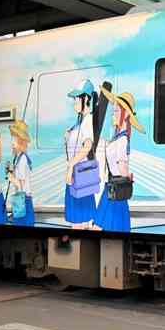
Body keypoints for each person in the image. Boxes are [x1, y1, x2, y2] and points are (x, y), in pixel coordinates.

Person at [92, 91, 144, 232]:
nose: (113, 114)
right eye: (113, 110)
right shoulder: (118, 138)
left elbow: (122, 164)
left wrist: (126, 175)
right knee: (109, 227)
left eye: (116, 110)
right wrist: (127, 176)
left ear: (126, 114)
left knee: (103, 226)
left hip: (115, 188)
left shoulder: (121, 140)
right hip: (113, 188)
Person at [64, 79, 97, 229]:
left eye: (77, 98)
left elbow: (87, 146)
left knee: (79, 223)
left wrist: (71, 165)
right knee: (79, 222)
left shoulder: (88, 120)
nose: (75, 102)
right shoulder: (79, 121)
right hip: (77, 177)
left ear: (87, 99)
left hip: (80, 177)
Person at [8, 119, 34, 227]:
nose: (12, 142)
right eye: (13, 138)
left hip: (23, 200)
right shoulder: (18, 157)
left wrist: (12, 178)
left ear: (21, 142)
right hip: (21, 199)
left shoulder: (22, 159)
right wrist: (12, 172)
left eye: (15, 139)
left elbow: (21, 185)